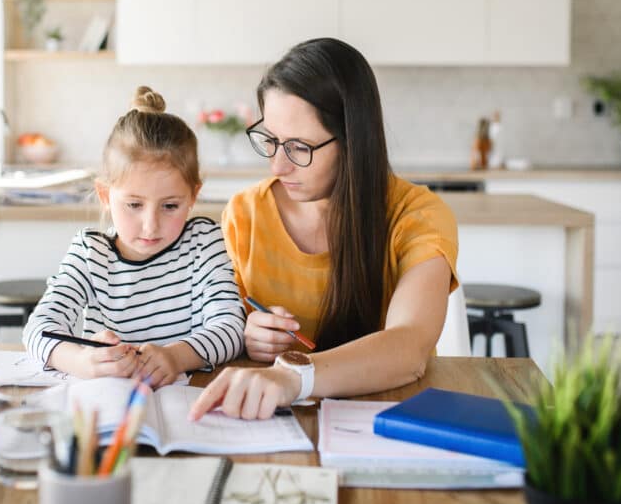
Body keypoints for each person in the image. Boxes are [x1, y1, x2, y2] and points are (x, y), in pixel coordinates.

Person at [189, 38, 459, 421]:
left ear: (352, 141)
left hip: (389, 415)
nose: (278, 167)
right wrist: (247, 335)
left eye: (299, 147)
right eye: (271, 141)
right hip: (271, 420)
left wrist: (294, 376)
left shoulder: (417, 215)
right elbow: (219, 324)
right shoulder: (244, 214)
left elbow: (410, 346)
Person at [23, 86, 246, 387]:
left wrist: (176, 357)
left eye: (170, 206)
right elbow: (38, 329)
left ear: (193, 195)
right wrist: (80, 361)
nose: (150, 225)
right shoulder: (90, 253)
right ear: (105, 195)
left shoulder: (204, 242)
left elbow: (231, 328)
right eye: (134, 205)